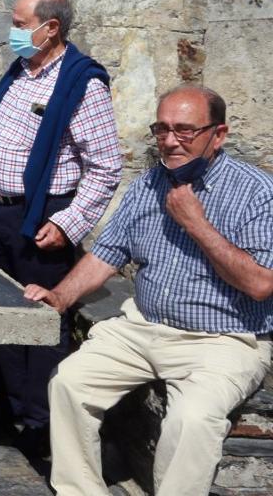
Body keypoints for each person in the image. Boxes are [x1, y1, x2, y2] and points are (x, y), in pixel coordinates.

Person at [26, 85, 273, 496]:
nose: (170, 140)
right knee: (68, 381)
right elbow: (107, 253)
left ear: (220, 134)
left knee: (192, 420)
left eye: (185, 130)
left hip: (223, 340)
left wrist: (196, 222)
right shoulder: (148, 184)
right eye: (162, 129)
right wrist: (60, 296)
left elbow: (261, 284)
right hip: (141, 328)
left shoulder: (257, 193)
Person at [0, 0, 123, 459]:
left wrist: (70, 223)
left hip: (43, 217)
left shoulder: (82, 84)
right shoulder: (19, 72)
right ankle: (9, 407)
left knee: (41, 323)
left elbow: (105, 166)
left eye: (21, 23)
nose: (13, 31)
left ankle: (41, 424)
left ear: (51, 28)